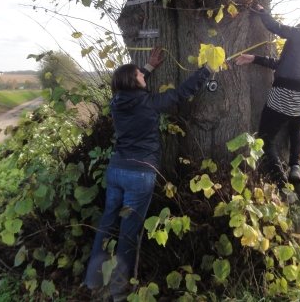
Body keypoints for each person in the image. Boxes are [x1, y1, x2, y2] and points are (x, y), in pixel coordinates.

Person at [84, 48, 211, 301]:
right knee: (130, 232)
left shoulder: (116, 101)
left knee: (108, 223)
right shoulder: (149, 103)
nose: (143, 77)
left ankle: (93, 280)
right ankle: (119, 291)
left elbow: (132, 81)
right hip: (139, 174)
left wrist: (149, 67)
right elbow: (180, 94)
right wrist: (206, 71)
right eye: (139, 76)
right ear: (134, 82)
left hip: (117, 169)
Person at [235, 5, 300, 186]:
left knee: (264, 137)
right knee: (297, 129)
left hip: (284, 95)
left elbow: (275, 27)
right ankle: (295, 166)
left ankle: (280, 181)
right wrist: (255, 58)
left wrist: (262, 11)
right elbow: (283, 65)